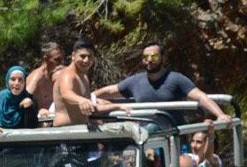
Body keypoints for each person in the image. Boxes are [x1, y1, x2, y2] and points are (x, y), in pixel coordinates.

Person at [93, 41, 232, 123]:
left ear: (163, 58)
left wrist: (220, 114)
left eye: (154, 56)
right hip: (146, 140)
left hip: (173, 137)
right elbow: (108, 92)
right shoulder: (135, 81)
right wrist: (87, 98)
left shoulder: (176, 79)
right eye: (145, 57)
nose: (149, 60)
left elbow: (201, 97)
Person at [51, 39, 125, 127]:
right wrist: (81, 100)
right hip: (65, 133)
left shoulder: (84, 78)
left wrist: (117, 107)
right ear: (73, 56)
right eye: (82, 56)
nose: (86, 60)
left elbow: (92, 108)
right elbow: (66, 93)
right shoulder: (67, 75)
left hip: (82, 131)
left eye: (90, 57)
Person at [0, 66, 39, 140]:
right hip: (1, 143)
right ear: (7, 80)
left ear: (24, 82)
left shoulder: (31, 99)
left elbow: (32, 129)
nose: (16, 83)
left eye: (20, 80)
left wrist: (29, 109)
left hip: (23, 144)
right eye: (13, 79)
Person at [26, 42, 65, 123]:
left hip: (58, 120)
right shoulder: (37, 78)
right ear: (45, 59)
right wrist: (39, 110)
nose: (61, 63)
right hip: (40, 122)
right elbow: (23, 101)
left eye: (62, 59)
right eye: (57, 60)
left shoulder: (62, 73)